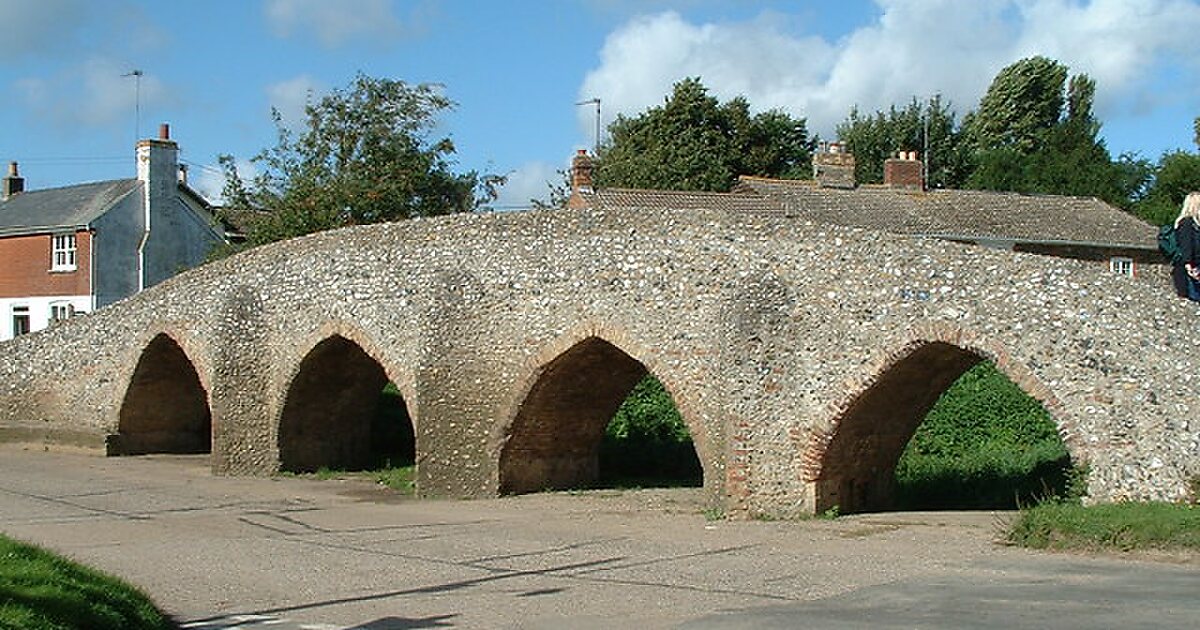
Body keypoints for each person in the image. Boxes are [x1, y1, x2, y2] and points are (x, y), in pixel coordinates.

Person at [1174, 192, 1200, 301]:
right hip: (1192, 271)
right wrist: (1189, 266)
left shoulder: (1195, 225)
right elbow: (1186, 246)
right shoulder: (1186, 223)